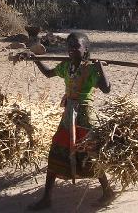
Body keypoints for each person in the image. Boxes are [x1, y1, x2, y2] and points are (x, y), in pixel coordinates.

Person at [26, 32, 116, 211]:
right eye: (70, 46)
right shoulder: (66, 66)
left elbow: (106, 89)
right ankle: (47, 198)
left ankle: (107, 191)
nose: (72, 50)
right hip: (68, 115)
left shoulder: (90, 69)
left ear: (86, 50)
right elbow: (48, 73)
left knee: (91, 151)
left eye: (76, 47)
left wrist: (100, 67)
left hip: (85, 116)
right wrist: (35, 58)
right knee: (57, 147)